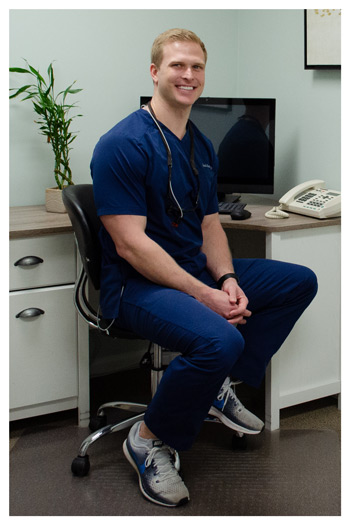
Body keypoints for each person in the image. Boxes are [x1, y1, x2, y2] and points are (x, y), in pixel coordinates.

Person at [91, 28, 318, 508]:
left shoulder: (201, 144)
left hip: (189, 270)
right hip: (134, 287)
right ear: (155, 72)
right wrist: (205, 294)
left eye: (196, 67)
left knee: (297, 282)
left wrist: (228, 280)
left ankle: (215, 383)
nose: (188, 75)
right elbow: (131, 247)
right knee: (221, 336)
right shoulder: (121, 145)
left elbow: (210, 225)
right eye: (177, 65)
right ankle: (148, 439)